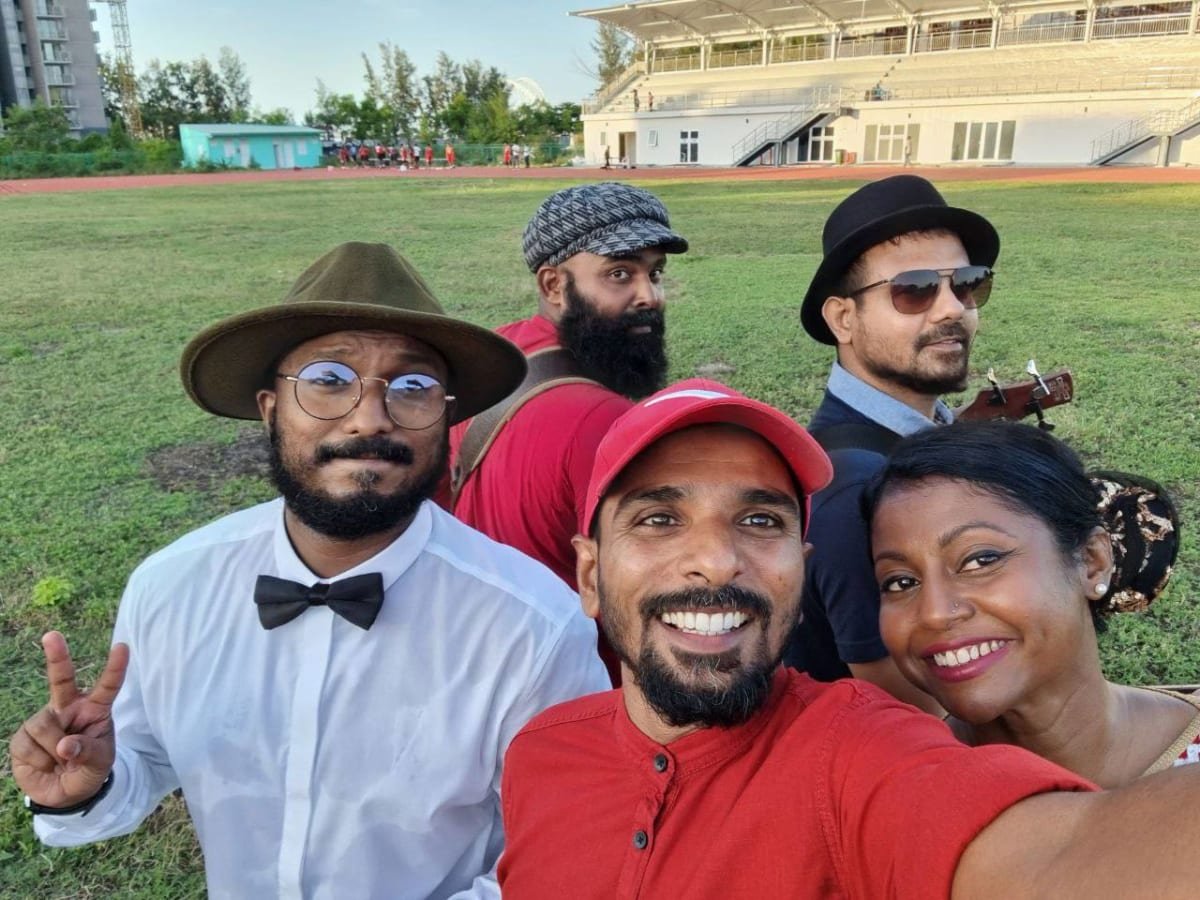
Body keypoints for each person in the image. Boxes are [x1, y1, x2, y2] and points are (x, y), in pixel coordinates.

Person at [10, 242, 609, 898]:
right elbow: (145, 755)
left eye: (412, 387)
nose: (369, 419)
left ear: (445, 417)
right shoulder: (170, 588)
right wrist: (90, 782)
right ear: (272, 409)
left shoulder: (534, 627)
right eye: (328, 379)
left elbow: (557, 852)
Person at [498, 378, 1200, 898]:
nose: (715, 560)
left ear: (800, 575)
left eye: (761, 521)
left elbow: (1056, 856)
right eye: (658, 519)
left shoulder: (859, 754)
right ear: (588, 575)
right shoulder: (538, 757)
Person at [864, 420, 1194, 787]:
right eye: (901, 582)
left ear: (1092, 561)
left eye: (980, 560)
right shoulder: (900, 792)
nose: (934, 613)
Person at [447, 183, 687, 682]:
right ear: (554, 285)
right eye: (619, 274)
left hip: (478, 657)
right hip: (580, 681)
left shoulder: (497, 360)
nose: (649, 296)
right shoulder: (606, 424)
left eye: (654, 273)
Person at [784, 174, 999, 714]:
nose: (952, 309)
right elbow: (925, 718)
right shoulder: (852, 490)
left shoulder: (911, 443)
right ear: (843, 319)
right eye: (915, 289)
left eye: (967, 284)